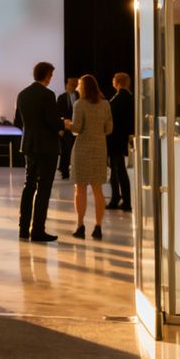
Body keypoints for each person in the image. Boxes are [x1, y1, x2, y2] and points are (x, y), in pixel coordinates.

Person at [15, 61, 63, 243]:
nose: (51, 78)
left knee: (29, 186)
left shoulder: (22, 94)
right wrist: (62, 124)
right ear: (46, 75)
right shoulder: (47, 95)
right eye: (51, 75)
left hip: (28, 145)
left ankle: (23, 229)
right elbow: (52, 121)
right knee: (43, 189)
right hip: (47, 147)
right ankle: (38, 230)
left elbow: (17, 122)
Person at [65, 74, 113, 239]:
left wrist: (67, 125)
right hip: (100, 149)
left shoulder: (79, 104)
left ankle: (80, 225)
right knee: (98, 189)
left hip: (82, 150)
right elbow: (109, 128)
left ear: (83, 87)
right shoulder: (105, 104)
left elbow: (77, 128)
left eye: (79, 85)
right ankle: (98, 226)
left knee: (80, 188)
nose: (77, 87)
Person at [107, 73, 135, 211]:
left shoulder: (120, 97)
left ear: (117, 82)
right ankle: (118, 197)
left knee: (118, 169)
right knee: (117, 169)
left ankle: (122, 199)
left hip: (115, 137)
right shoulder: (128, 96)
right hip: (120, 137)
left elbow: (111, 115)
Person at [56, 77, 79, 180]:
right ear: (66, 85)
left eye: (74, 84)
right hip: (66, 127)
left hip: (78, 127)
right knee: (66, 149)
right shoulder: (61, 97)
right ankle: (64, 171)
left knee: (77, 150)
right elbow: (58, 112)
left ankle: (76, 171)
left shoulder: (80, 96)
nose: (72, 86)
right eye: (71, 84)